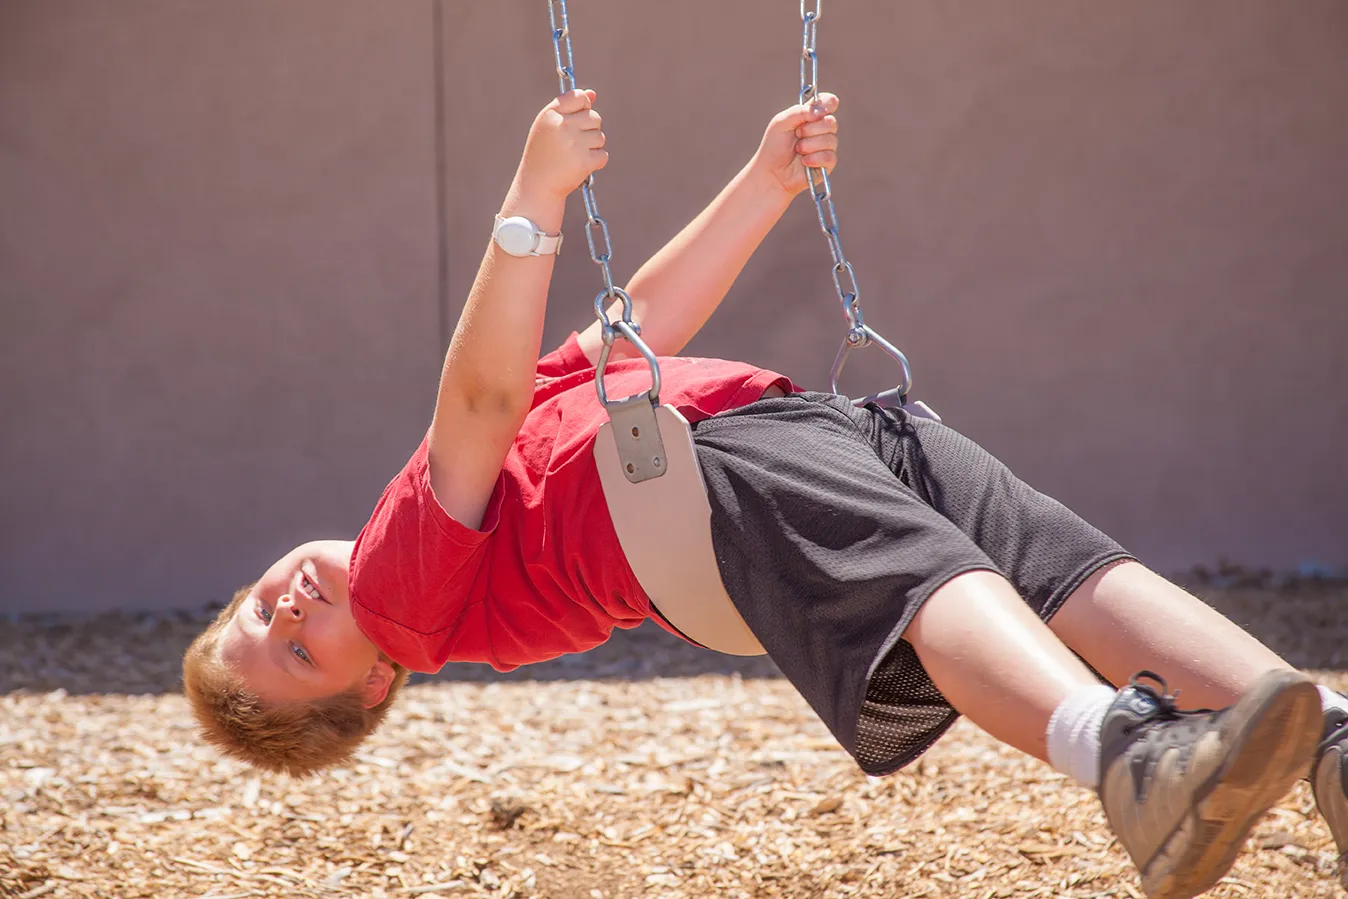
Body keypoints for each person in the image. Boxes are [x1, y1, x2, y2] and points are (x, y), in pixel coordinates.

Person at [183, 88, 1348, 899]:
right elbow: (480, 401)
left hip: (777, 434)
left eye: (256, 615)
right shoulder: (399, 596)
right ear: (375, 680)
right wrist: (530, 202)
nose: (287, 612)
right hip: (705, 489)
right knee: (945, 576)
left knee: (1059, 565)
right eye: (297, 652)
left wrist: (764, 182)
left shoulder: (414, 588)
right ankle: (1126, 760)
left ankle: (1329, 747)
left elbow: (629, 333)